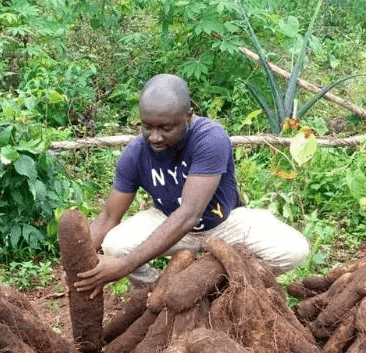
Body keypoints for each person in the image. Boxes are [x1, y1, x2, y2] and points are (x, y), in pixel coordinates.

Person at [74, 74, 308, 295]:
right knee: (115, 245)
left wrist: (125, 265)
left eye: (166, 128)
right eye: (147, 127)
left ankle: (226, 287)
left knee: (294, 250)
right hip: (166, 219)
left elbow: (189, 214)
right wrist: (76, 266)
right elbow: (108, 217)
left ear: (188, 116)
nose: (155, 137)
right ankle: (156, 290)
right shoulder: (135, 155)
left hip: (224, 224)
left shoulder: (209, 138)